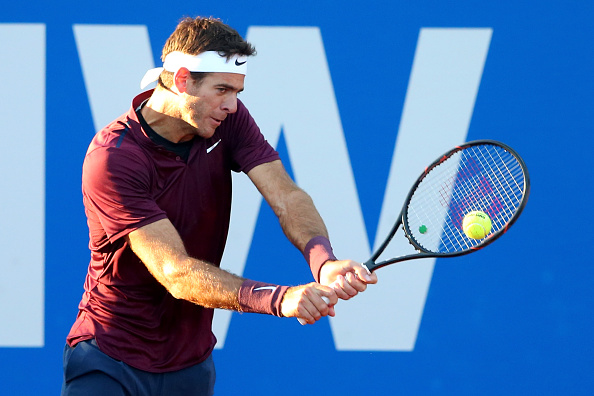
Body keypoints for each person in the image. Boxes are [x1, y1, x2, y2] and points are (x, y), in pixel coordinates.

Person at [61, 16, 377, 396]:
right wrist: (281, 299)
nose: (231, 105)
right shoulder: (114, 159)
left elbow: (285, 195)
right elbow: (175, 272)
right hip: (110, 362)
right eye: (222, 89)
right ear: (181, 80)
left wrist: (323, 260)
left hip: (191, 367)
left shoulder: (227, 120)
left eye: (237, 92)